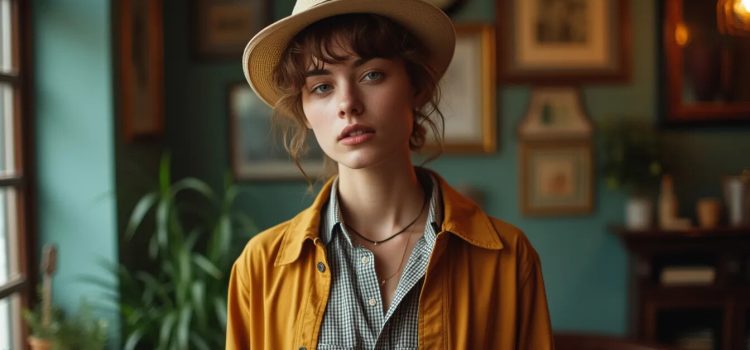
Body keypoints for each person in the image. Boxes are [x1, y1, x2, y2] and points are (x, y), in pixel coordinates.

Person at [226, 0, 554, 348]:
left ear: (416, 87)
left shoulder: (507, 258)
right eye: (322, 86)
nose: (347, 103)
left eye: (371, 75)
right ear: (304, 111)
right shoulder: (261, 267)